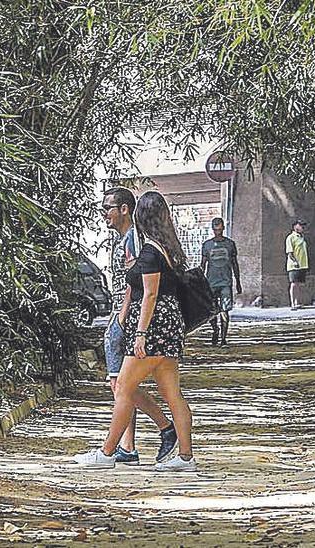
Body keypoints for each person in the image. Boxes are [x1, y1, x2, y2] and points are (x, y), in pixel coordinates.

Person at [75, 191, 197, 472]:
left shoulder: (152, 250)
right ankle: (186, 457)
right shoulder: (166, 247)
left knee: (124, 389)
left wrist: (140, 334)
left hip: (154, 327)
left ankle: (107, 453)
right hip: (167, 326)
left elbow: (151, 294)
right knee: (172, 393)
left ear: (141, 214)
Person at [199, 217, 241, 346]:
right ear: (213, 229)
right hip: (211, 282)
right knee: (211, 310)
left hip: (226, 282)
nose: (218, 231)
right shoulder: (207, 245)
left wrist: (238, 281)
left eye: (220, 228)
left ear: (223, 228)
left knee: (225, 310)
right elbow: (203, 264)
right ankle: (215, 330)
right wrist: (199, 281)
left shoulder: (230, 244)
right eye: (215, 229)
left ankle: (223, 338)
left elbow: (234, 263)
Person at [285, 219, 309, 309]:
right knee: (294, 284)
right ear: (295, 226)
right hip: (294, 265)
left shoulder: (301, 237)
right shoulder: (290, 237)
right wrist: (295, 262)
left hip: (303, 265)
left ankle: (297, 302)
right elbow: (290, 253)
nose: (302, 227)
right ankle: (292, 303)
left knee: (299, 284)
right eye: (300, 225)